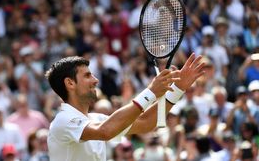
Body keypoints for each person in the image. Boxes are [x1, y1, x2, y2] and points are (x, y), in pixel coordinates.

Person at [46, 54, 205, 161]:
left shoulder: (97, 119)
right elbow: (105, 131)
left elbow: (145, 123)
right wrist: (150, 92)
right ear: (70, 83)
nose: (95, 80)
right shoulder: (63, 121)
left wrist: (178, 89)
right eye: (87, 75)